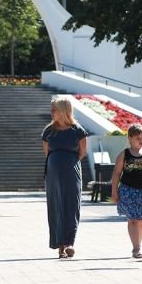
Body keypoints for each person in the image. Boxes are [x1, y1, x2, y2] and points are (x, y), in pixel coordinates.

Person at [42, 98, 88, 259]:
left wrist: (68, 162)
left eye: (54, 109)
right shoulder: (49, 131)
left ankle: (69, 243)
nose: (51, 112)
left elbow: (82, 152)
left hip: (72, 172)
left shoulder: (78, 130)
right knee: (56, 206)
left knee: (71, 205)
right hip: (53, 174)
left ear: (62, 111)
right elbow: (47, 152)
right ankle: (59, 246)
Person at [110, 124, 142, 259]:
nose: (141, 140)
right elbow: (116, 174)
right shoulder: (124, 155)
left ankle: (139, 243)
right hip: (128, 191)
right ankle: (136, 248)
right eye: (138, 137)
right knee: (132, 220)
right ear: (130, 138)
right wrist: (114, 192)